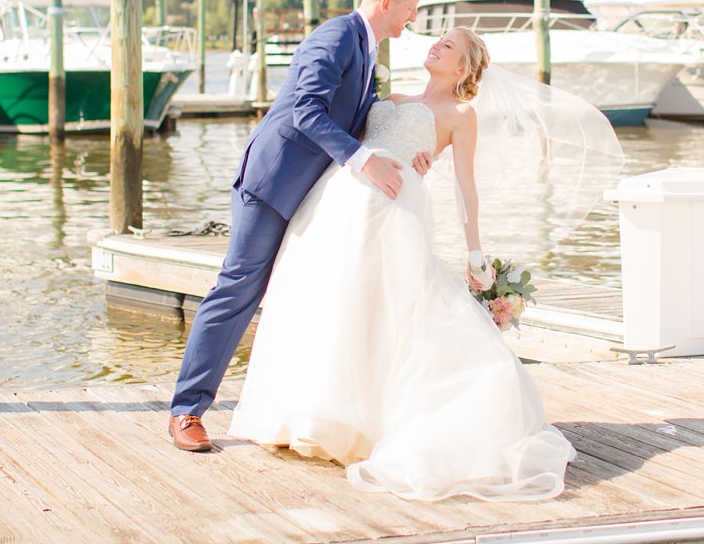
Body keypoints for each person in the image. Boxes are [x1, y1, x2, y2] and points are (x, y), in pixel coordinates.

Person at [227, 27, 577, 502]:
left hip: (394, 211)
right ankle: (310, 419)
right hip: (340, 202)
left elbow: (465, 186)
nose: (436, 45)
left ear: (463, 68)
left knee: (383, 309)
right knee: (329, 302)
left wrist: (475, 253)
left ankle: (366, 426)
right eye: (438, 40)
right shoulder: (391, 95)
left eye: (448, 46)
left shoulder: (460, 114)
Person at [169, 0, 428, 452]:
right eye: (410, 10)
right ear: (387, 2)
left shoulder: (366, 49)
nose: (412, 20)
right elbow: (307, 109)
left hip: (314, 193)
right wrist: (364, 160)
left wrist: (407, 150)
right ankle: (186, 410)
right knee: (239, 287)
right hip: (273, 182)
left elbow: (357, 119)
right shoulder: (335, 37)